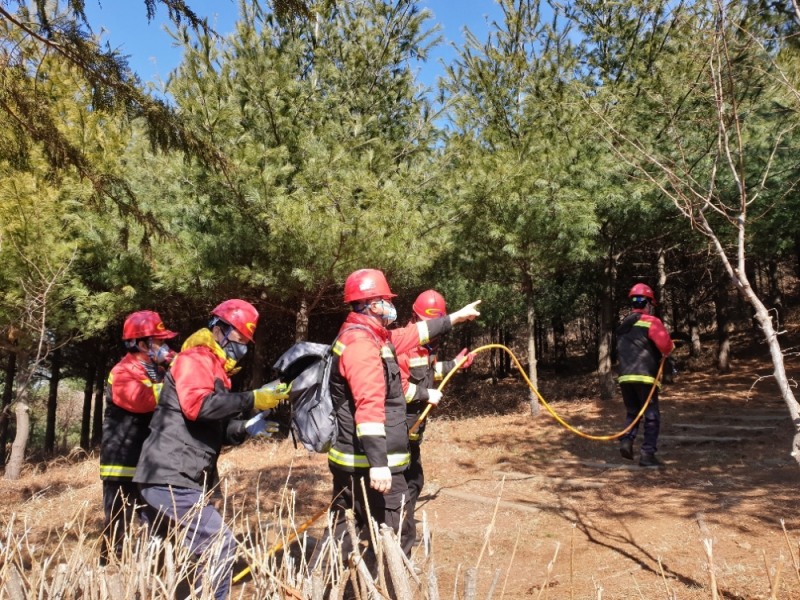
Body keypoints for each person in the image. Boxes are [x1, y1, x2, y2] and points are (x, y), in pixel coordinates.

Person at [133, 299, 289, 599]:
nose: (243, 347)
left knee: (173, 557)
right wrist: (252, 398)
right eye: (240, 338)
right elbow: (198, 407)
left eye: (246, 341)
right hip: (170, 475)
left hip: (176, 476)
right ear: (219, 330)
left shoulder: (215, 368)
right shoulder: (196, 359)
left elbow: (214, 427)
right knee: (220, 545)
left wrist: (245, 427)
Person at [325, 269, 480, 560]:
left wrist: (456, 317)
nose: (390, 305)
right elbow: (369, 405)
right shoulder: (361, 344)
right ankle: (381, 582)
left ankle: (333, 578)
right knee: (392, 534)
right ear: (373, 304)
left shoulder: (373, 336)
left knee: (345, 531)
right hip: (368, 464)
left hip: (360, 461)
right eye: (386, 300)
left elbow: (413, 334)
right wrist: (379, 465)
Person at [99, 310, 178, 564]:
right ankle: (109, 569)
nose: (164, 346)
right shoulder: (122, 371)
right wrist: (177, 383)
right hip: (122, 460)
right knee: (117, 523)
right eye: (159, 341)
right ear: (142, 344)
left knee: (158, 520)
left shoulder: (159, 370)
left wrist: (176, 366)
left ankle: (156, 568)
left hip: (150, 461)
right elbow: (142, 400)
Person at [397, 289, 475, 535]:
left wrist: (455, 365)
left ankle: (397, 527)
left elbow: (429, 373)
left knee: (413, 481)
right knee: (407, 482)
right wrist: (425, 394)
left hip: (414, 428)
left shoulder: (428, 347)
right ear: (415, 318)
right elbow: (396, 389)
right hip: (400, 428)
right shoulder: (404, 346)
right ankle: (398, 531)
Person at [616, 283, 674, 467]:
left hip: (625, 377)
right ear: (648, 303)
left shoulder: (624, 324)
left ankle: (627, 441)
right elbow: (666, 346)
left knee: (633, 412)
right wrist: (670, 348)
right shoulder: (651, 322)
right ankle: (647, 454)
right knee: (651, 415)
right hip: (645, 377)